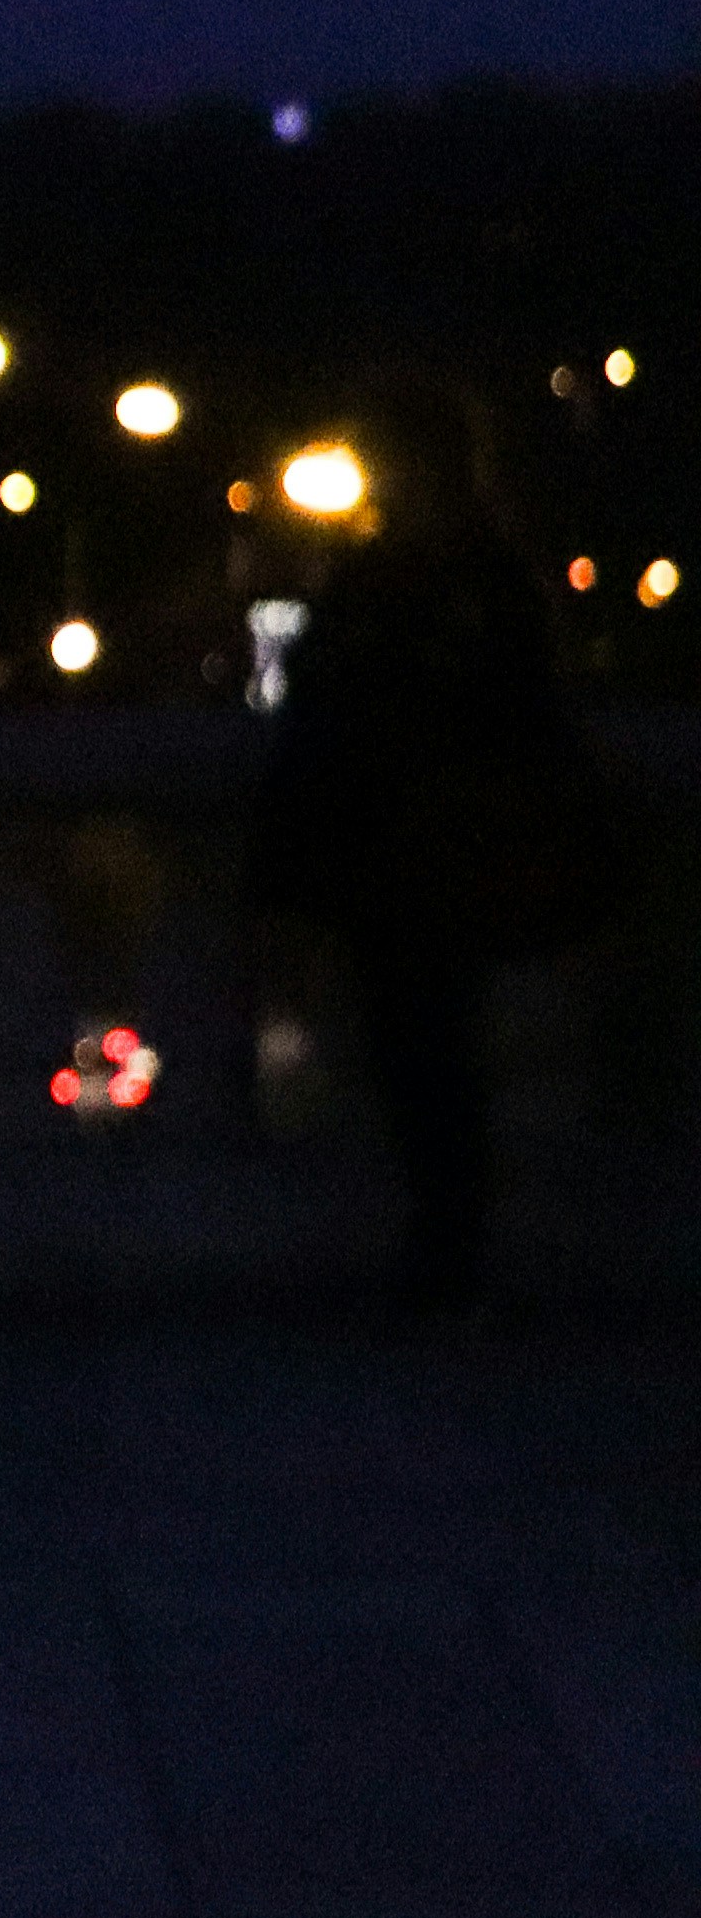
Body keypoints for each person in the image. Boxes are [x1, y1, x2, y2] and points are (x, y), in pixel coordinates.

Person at [247, 373, 631, 1321]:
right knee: (433, 1059)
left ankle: (441, 1251)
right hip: (435, 853)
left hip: (415, 854)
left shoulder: (415, 581)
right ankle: (444, 1245)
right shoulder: (479, 577)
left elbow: (340, 706)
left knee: (425, 1059)